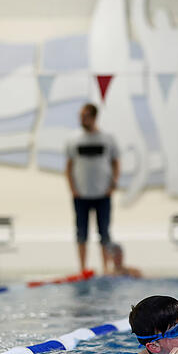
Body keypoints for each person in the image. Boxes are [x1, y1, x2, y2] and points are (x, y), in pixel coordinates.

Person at [65, 103, 120, 274]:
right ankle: (82, 268)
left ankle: (105, 267)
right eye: (80, 116)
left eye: (85, 116)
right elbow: (69, 166)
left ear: (94, 117)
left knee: (104, 232)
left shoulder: (107, 138)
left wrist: (113, 185)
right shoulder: (73, 139)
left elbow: (116, 162)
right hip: (81, 194)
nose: (82, 119)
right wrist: (72, 188)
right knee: (81, 232)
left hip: (103, 193)